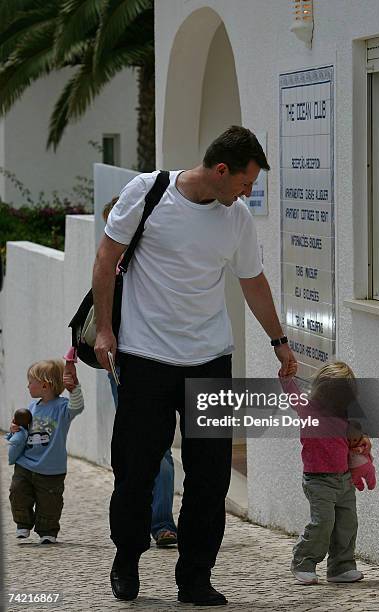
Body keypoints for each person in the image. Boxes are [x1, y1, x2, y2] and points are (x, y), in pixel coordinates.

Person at [92, 125, 297, 605]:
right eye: (245, 182)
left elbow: (254, 282)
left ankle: (195, 578)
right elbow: (106, 259)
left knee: (210, 477)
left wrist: (280, 341)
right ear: (221, 170)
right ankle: (126, 557)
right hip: (146, 357)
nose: (248, 192)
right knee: (136, 470)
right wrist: (105, 328)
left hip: (210, 359)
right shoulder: (149, 192)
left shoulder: (237, 217)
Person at [102, 198, 178, 548]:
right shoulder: (109, 265)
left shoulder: (158, 259)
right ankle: (132, 524)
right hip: (123, 363)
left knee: (160, 446)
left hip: (163, 360)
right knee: (136, 444)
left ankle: (162, 521)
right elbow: (93, 313)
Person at [280, 362, 373, 586]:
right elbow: (292, 394)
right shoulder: (308, 408)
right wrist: (285, 377)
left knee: (347, 523)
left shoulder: (346, 415)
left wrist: (362, 447)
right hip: (318, 480)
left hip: (344, 478)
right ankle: (303, 561)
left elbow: (355, 440)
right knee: (323, 522)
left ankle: (341, 567)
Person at [6, 359, 84, 544]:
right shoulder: (32, 408)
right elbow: (22, 431)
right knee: (17, 492)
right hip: (25, 463)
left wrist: (74, 388)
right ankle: (23, 523)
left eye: (30, 382)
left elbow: (78, 406)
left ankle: (47, 530)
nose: (27, 385)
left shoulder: (62, 408)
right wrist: (14, 429)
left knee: (50, 502)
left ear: (44, 385)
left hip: (50, 468)